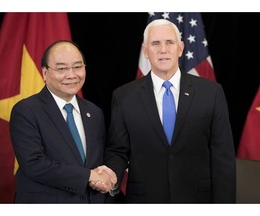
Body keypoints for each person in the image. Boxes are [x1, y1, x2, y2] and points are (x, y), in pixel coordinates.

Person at [101, 19, 236, 203]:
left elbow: (223, 158)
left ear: (180, 48)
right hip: (145, 201)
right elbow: (118, 150)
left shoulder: (211, 93)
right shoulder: (123, 96)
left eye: (169, 43)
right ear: (145, 51)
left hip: (198, 200)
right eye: (155, 43)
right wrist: (110, 174)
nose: (163, 49)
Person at [9, 40, 116, 203]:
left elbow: (96, 162)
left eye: (78, 66)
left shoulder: (94, 112)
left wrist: (105, 175)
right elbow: (34, 164)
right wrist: (88, 176)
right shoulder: (26, 111)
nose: (72, 74)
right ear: (45, 73)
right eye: (61, 68)